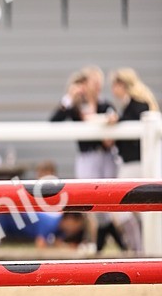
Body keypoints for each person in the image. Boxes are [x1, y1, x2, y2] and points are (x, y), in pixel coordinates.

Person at [50, 68, 123, 252]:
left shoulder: (105, 104)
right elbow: (54, 121)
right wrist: (69, 97)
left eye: (99, 82)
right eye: (93, 81)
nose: (97, 86)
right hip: (87, 157)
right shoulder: (75, 105)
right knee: (91, 198)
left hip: (106, 156)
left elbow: (113, 119)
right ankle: (112, 241)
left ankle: (105, 242)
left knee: (109, 198)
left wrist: (111, 120)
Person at [106, 68, 160, 253]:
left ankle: (140, 249)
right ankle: (141, 249)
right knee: (135, 208)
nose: (113, 89)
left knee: (118, 206)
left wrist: (117, 121)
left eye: (115, 84)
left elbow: (135, 122)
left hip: (137, 164)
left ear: (123, 85)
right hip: (135, 163)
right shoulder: (134, 104)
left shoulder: (138, 104)